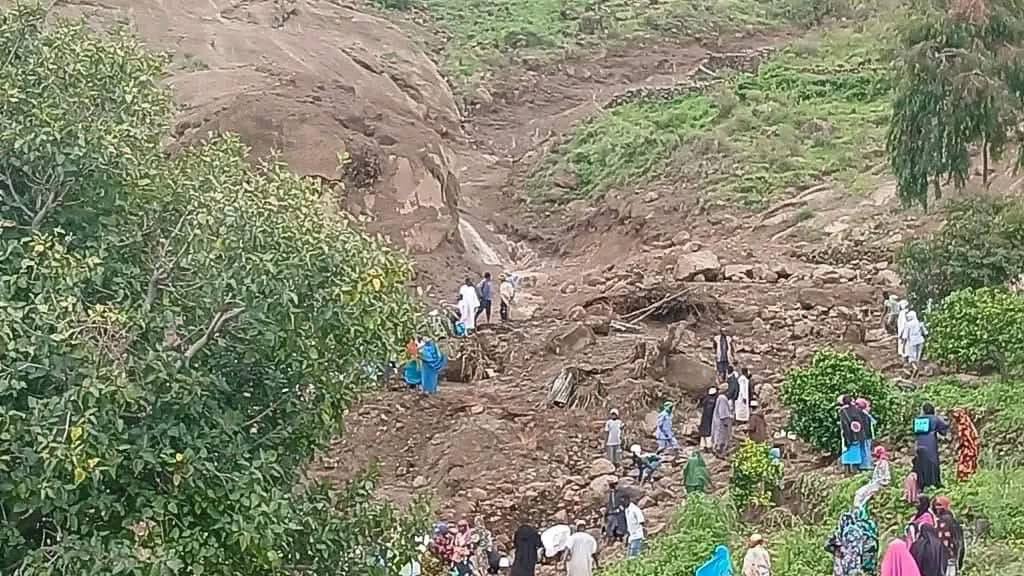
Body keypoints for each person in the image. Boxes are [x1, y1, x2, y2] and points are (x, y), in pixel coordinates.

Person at [913, 403, 949, 489]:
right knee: (933, 462)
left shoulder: (917, 419)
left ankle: (922, 483)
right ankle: (934, 482)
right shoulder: (935, 419)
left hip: (920, 443)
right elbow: (944, 428)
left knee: (921, 463)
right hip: (930, 444)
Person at [933, 496, 965, 576]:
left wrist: (959, 559)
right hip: (940, 559)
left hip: (949, 558)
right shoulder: (935, 521)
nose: (937, 508)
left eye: (940, 505)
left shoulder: (952, 522)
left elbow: (959, 542)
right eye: (936, 505)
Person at [854, 445, 891, 509]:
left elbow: (886, 477)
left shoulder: (884, 463)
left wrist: (880, 483)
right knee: (859, 492)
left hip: (879, 484)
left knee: (865, 495)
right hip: (874, 483)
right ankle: (857, 508)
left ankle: (860, 509)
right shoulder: (878, 463)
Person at [838, 396, 869, 473]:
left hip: (848, 435)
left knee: (846, 452)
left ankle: (847, 471)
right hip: (857, 435)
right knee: (856, 453)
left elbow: (845, 425)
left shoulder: (843, 411)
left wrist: (847, 438)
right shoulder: (856, 410)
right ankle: (856, 470)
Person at [950, 409, 979, 482]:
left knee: (965, 463)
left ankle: (965, 478)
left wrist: (959, 446)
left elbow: (967, 437)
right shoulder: (968, 423)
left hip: (968, 447)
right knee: (967, 462)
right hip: (967, 447)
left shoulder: (963, 425)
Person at [901, 310, 928, 376]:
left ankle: (915, 368)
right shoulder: (920, 323)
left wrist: (903, 346)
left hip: (912, 342)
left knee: (912, 357)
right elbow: (926, 333)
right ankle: (918, 370)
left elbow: (905, 336)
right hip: (921, 341)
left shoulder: (908, 324)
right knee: (918, 356)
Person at [855, 398, 877, 471]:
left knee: (865, 450)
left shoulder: (862, 414)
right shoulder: (864, 414)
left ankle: (866, 465)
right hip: (867, 435)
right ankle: (866, 465)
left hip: (865, 435)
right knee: (866, 450)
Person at [711, 391, 734, 457]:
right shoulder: (722, 398)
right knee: (721, 439)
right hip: (721, 424)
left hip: (719, 422)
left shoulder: (720, 398)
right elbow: (723, 414)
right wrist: (727, 423)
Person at [604, 479, 627, 544]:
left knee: (620, 524)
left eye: (613, 484)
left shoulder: (620, 493)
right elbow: (608, 503)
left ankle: (620, 538)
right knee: (610, 524)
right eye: (610, 485)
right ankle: (611, 538)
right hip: (611, 512)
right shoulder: (608, 494)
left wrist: (621, 508)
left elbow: (625, 501)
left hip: (619, 511)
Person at [699, 387, 719, 451]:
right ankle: (709, 446)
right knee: (709, 431)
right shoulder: (715, 400)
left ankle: (702, 446)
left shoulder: (706, 399)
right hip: (711, 417)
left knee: (703, 431)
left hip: (704, 417)